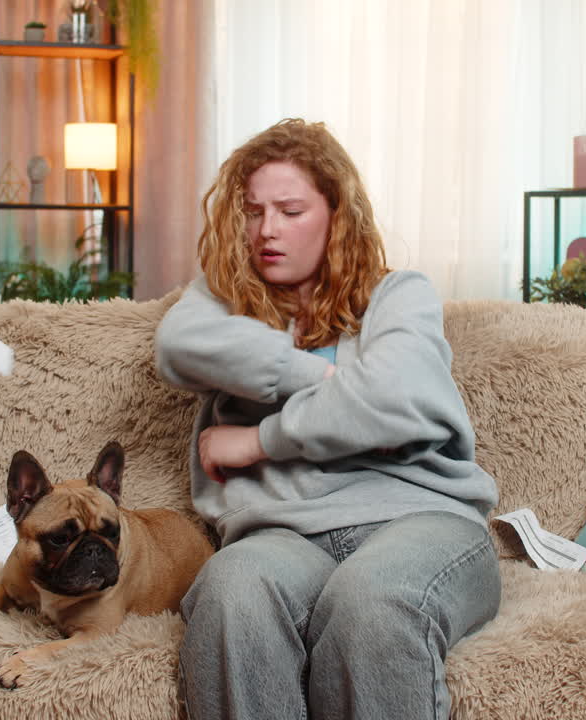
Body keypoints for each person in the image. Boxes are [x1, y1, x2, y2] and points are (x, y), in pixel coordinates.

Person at [154, 118, 500, 720]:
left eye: (290, 210)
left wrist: (262, 439)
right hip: (282, 536)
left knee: (374, 602)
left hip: (418, 521)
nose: (268, 231)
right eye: (254, 212)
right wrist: (320, 380)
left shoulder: (398, 296)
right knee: (230, 592)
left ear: (336, 214)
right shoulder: (225, 301)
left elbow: (393, 399)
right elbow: (176, 348)